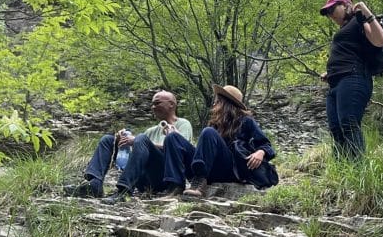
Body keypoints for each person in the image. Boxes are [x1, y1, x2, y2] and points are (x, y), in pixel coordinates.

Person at [63, 90, 193, 202]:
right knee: (109, 140)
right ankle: (94, 184)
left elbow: (180, 152)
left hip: (164, 178)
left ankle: (124, 191)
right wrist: (123, 143)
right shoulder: (152, 130)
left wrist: (137, 140)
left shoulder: (183, 124)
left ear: (171, 104)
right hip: (144, 178)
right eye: (152, 103)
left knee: (141, 138)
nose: (153, 107)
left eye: (157, 103)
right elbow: (140, 154)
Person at [162, 83, 278, 195]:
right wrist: (179, 138)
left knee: (208, 132)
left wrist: (261, 152)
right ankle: (175, 186)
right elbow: (203, 153)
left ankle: (199, 181)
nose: (214, 105)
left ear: (225, 103)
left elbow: (266, 145)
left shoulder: (246, 120)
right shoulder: (215, 124)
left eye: (217, 102)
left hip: (231, 170)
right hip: (210, 169)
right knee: (172, 137)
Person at [320, 0, 383, 158]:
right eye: (327, 12)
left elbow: (380, 40)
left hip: (354, 78)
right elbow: (350, 52)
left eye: (332, 9)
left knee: (349, 123)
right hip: (337, 82)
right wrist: (331, 72)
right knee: (336, 127)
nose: (330, 15)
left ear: (346, 5)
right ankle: (342, 169)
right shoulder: (346, 29)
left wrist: (365, 11)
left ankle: (358, 168)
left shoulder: (358, 21)